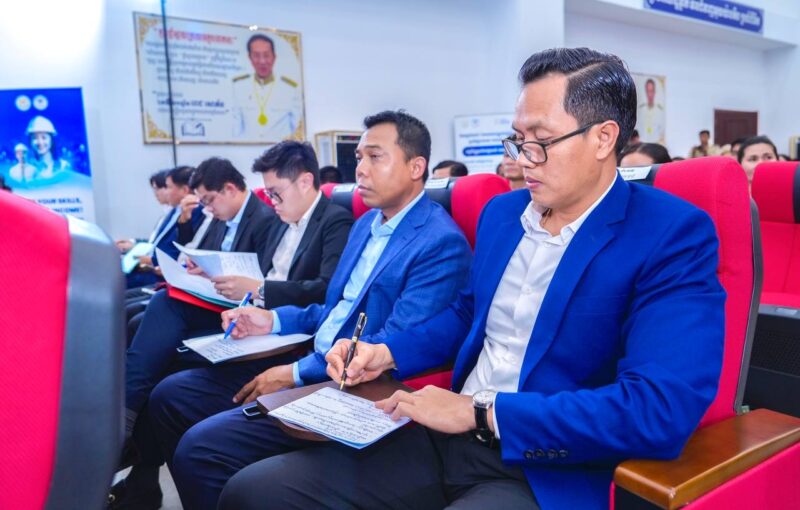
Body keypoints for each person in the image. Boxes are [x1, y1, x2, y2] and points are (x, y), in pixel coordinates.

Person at [217, 48, 726, 510]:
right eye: (518, 140)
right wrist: (386, 353)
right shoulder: (504, 215)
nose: (520, 159)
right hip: (441, 433)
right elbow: (467, 314)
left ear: (603, 138)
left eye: (540, 142)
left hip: (543, 464)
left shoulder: (670, 234)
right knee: (255, 491)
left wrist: (482, 412)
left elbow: (657, 408)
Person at [149, 110, 473, 510]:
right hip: (309, 356)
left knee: (201, 450)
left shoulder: (438, 242)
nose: (361, 169)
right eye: (359, 157)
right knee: (172, 398)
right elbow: (334, 310)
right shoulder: (367, 225)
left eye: (375, 157)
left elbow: (389, 345)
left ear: (416, 167)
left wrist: (295, 373)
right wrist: (272, 319)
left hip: (351, 384)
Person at [111, 147, 352, 509]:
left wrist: (261, 291)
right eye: (268, 194)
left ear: (305, 182)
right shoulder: (281, 221)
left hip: (286, 335)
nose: (271, 202)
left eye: (276, 193)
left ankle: (128, 438)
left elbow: (325, 289)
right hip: (255, 322)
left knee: (166, 374)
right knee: (163, 348)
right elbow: (256, 273)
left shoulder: (334, 221)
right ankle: (138, 457)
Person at [232, 34, 303, 142]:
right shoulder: (239, 86)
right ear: (249, 58)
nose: (262, 61)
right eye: (256, 55)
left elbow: (295, 126)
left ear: (274, 57)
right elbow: (236, 127)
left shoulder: (290, 88)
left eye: (266, 55)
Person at [26, 115, 72, 179]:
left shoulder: (63, 166)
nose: (40, 142)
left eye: (44, 137)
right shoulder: (26, 169)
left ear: (52, 140)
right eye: (35, 138)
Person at [636, 78, 664, 143]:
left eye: (652, 91)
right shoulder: (640, 110)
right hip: (642, 143)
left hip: (655, 143)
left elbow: (661, 130)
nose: (650, 94)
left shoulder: (659, 111)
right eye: (648, 91)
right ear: (646, 92)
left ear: (654, 92)